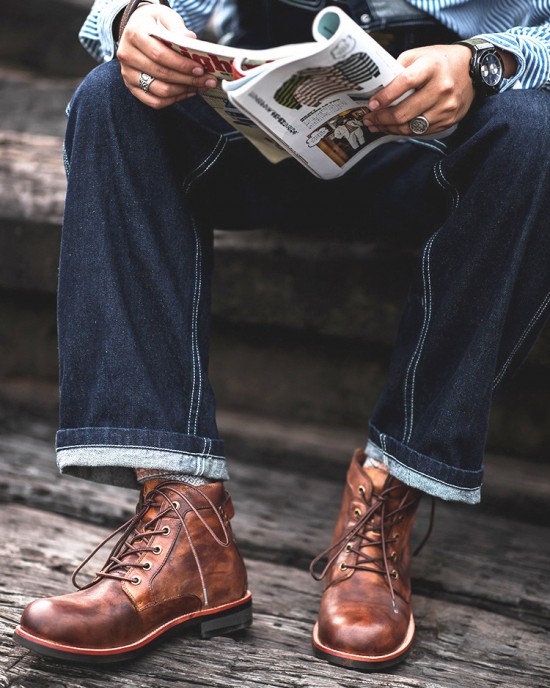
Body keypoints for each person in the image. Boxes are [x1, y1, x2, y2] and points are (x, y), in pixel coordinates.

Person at [12, 0, 550, 672]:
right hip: (261, 96)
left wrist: (491, 63)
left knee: (537, 134)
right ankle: (183, 524)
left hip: (449, 111)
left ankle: (385, 497)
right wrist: (133, 21)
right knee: (110, 99)